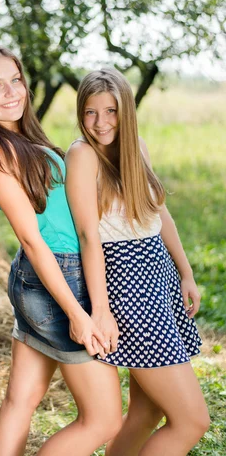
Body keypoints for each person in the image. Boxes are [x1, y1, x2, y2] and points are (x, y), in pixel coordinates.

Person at [0, 45, 123, 456]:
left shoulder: (21, 139)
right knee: (104, 419)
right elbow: (31, 237)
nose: (11, 92)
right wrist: (79, 313)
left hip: (42, 275)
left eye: (15, 80)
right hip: (57, 277)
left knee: (20, 400)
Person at [65, 68, 210, 456]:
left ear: (125, 110)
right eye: (91, 112)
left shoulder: (136, 147)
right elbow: (88, 238)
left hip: (157, 277)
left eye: (110, 111)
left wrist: (186, 273)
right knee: (193, 421)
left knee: (147, 414)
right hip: (128, 289)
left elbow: (159, 215)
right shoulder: (81, 155)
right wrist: (101, 311)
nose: (100, 122)